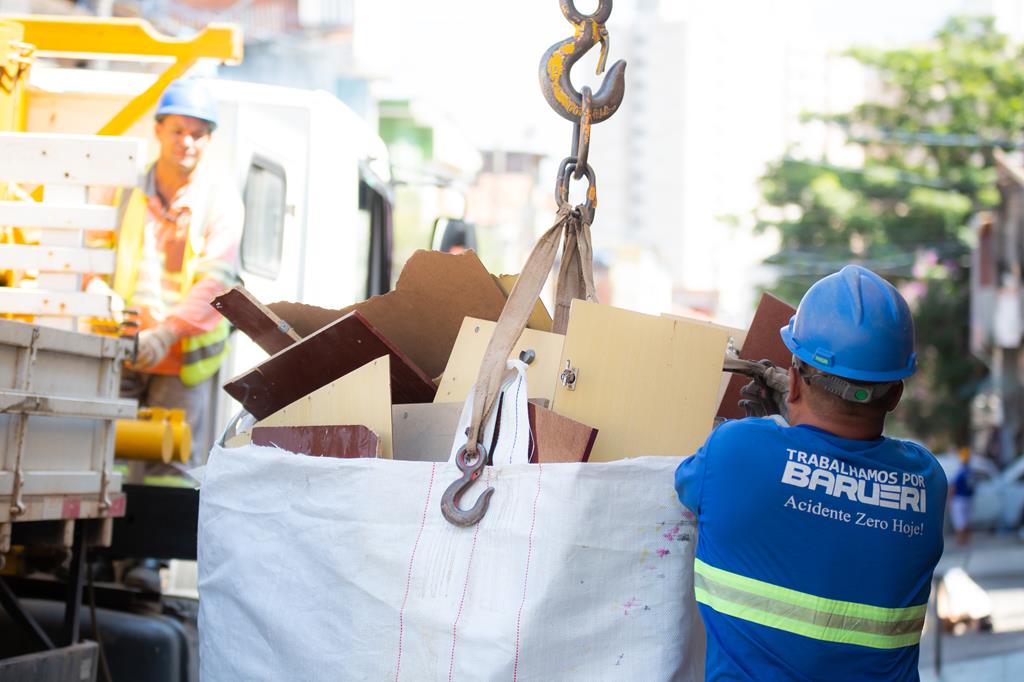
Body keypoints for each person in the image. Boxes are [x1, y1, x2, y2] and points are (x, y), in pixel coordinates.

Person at [675, 265, 947, 681]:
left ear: (795, 380)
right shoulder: (926, 483)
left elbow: (686, 484)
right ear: (895, 393)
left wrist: (779, 431)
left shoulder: (734, 451)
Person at [110, 79, 243, 465]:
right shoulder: (128, 190)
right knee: (105, 458)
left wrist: (165, 334)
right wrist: (106, 303)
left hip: (180, 360)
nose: (187, 141)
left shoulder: (220, 199)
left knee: (166, 469)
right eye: (178, 130)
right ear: (157, 131)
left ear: (209, 141)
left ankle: (156, 529)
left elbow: (215, 281)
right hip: (124, 349)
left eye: (198, 135)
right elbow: (99, 258)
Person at [950, 447, 975, 546]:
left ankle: (961, 542)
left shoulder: (960, 472)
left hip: (959, 499)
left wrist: (949, 499)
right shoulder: (970, 472)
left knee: (960, 522)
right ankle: (966, 541)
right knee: (966, 521)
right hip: (968, 499)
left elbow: (954, 486)